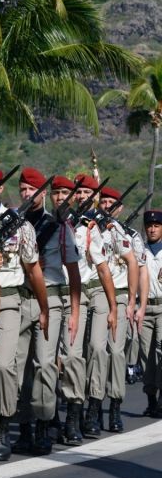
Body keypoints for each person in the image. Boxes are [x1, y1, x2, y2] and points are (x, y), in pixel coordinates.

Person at [0, 164, 48, 461]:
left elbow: (34, 270)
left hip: (7, 299)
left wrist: (43, 308)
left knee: (4, 365)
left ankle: (4, 425)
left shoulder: (20, 225)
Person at [16, 173, 82, 452]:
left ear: (42, 192)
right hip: (20, 298)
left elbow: (74, 271)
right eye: (23, 189)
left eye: (32, 189)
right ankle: (24, 427)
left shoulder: (59, 227)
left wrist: (75, 312)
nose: (27, 194)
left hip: (52, 299)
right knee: (18, 368)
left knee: (44, 363)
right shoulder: (14, 224)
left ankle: (45, 424)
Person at [70, 174, 118, 440]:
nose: (80, 196)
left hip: (96, 290)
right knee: (73, 354)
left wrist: (114, 307)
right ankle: (73, 411)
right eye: (77, 191)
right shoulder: (65, 222)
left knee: (97, 348)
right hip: (72, 293)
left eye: (86, 191)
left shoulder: (98, 226)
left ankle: (94, 408)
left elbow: (103, 268)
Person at [94, 186, 139, 432]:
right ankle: (93, 403)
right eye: (104, 201)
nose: (107, 206)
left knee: (116, 352)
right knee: (95, 351)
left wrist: (132, 302)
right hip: (95, 293)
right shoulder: (90, 229)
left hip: (119, 296)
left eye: (112, 202)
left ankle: (114, 406)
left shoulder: (125, 234)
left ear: (119, 208)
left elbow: (135, 265)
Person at [140, 209, 162, 418]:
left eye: (156, 226)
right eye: (149, 226)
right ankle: (151, 399)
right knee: (146, 355)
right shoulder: (141, 251)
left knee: (161, 351)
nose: (152, 229)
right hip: (145, 308)